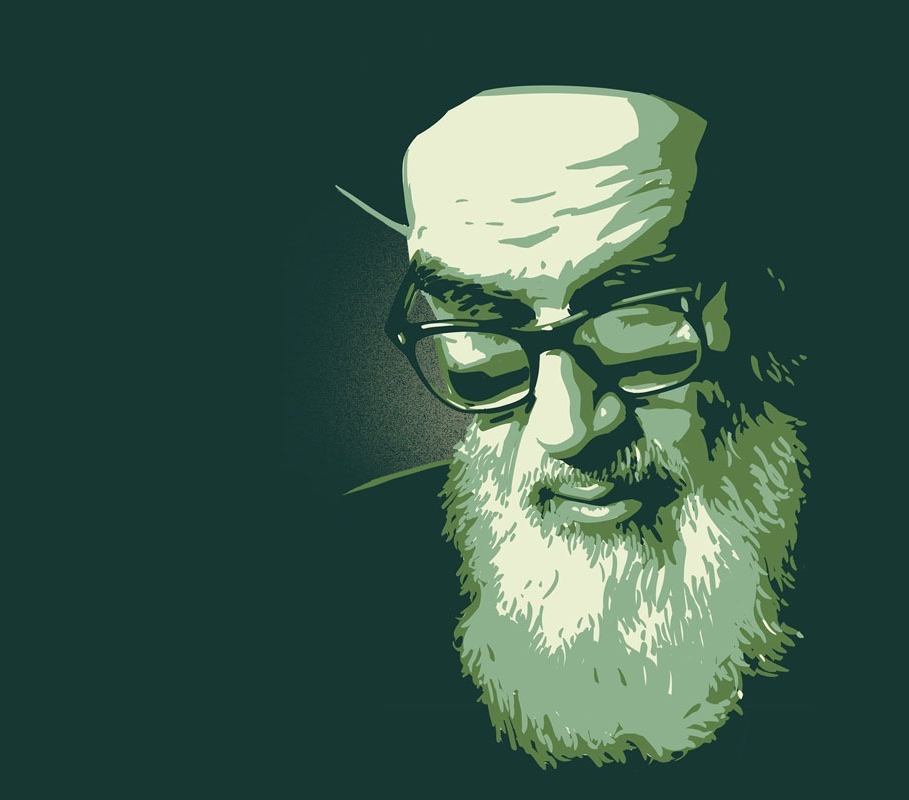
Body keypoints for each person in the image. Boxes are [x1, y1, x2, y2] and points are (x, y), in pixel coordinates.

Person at [339, 86, 809, 768]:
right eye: (484, 322)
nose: (567, 429)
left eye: (634, 315)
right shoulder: (336, 591)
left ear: (764, 301)